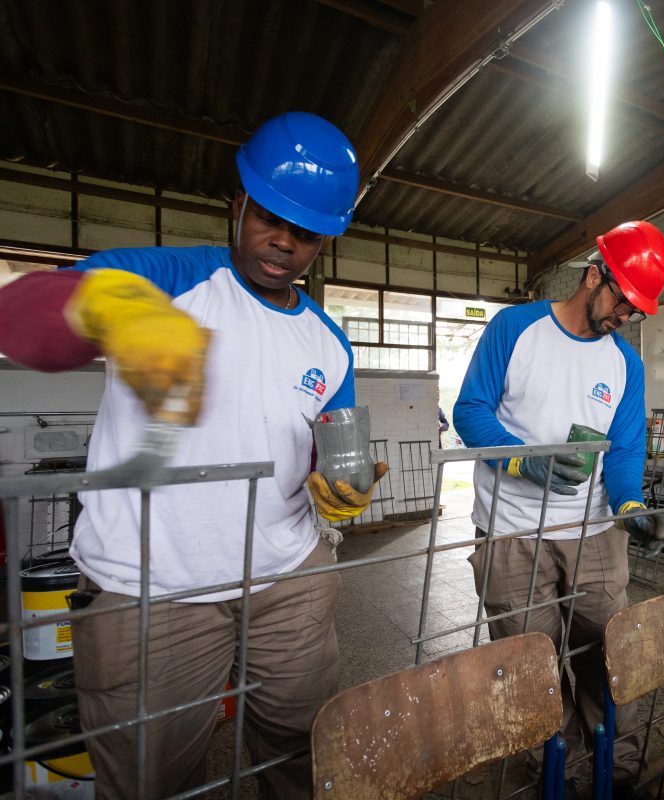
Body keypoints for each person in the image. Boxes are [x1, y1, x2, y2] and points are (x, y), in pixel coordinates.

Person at [0, 111, 387, 799]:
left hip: (287, 577)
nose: (284, 244)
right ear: (236, 201)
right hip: (154, 587)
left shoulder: (330, 343)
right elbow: (20, 321)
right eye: (271, 217)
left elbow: (338, 445)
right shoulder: (163, 278)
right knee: (149, 777)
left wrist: (343, 487)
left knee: (298, 751)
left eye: (308, 234)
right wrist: (109, 311)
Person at [453, 220, 664, 798]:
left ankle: (617, 768)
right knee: (532, 664)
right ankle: (560, 770)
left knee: (608, 653)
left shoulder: (625, 364)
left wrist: (630, 503)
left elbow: (624, 446)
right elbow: (470, 411)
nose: (625, 316)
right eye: (622, 301)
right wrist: (526, 462)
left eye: (636, 309)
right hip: (511, 533)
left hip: (595, 533)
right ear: (593, 276)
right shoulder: (515, 328)